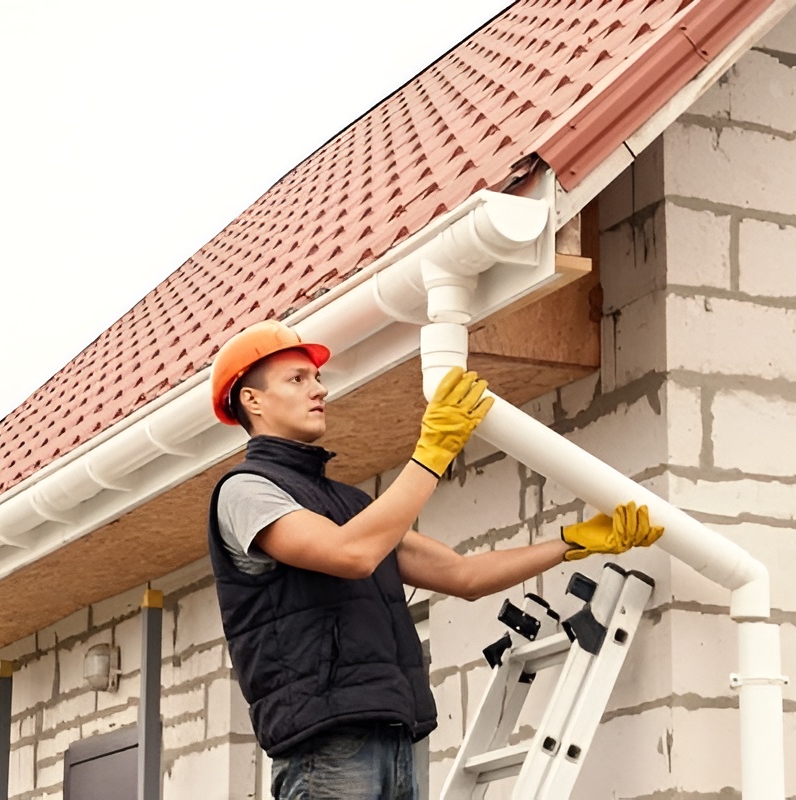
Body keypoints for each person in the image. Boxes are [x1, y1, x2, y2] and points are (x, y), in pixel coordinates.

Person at [205, 320, 663, 800]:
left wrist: (572, 542)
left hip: (394, 737)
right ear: (252, 400)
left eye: (317, 378)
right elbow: (351, 554)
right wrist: (432, 452)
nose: (318, 389)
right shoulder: (246, 491)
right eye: (297, 379)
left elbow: (462, 576)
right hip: (326, 748)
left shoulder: (351, 506)